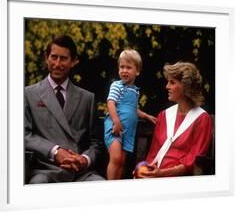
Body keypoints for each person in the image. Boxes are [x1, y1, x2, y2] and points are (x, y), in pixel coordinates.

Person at [25, 35, 105, 183]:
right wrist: (55, 151)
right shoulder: (29, 94)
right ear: (46, 58)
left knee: (101, 185)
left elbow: (96, 143)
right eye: (53, 57)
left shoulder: (87, 98)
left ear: (74, 61)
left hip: (80, 173)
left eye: (63, 58)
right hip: (46, 171)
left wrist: (85, 159)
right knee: (38, 186)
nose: (57, 63)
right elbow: (23, 135)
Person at [134, 62, 212, 178]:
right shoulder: (164, 115)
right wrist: (144, 171)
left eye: (172, 82)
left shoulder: (201, 119)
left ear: (185, 87)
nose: (167, 86)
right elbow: (153, 155)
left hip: (180, 181)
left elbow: (193, 161)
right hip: (156, 176)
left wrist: (162, 174)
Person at [104, 49, 157, 180]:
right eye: (122, 67)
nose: (124, 70)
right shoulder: (117, 85)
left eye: (129, 67)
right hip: (116, 127)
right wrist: (115, 121)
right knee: (115, 158)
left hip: (128, 131)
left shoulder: (135, 91)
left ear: (137, 71)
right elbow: (110, 103)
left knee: (122, 161)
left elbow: (133, 109)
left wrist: (145, 115)